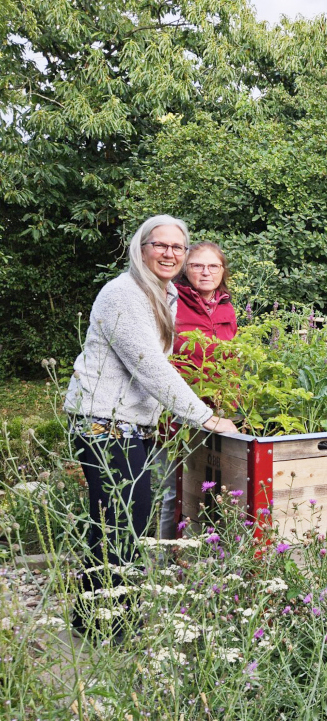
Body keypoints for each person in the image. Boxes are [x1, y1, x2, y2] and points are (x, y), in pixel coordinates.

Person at [64, 215, 238, 629]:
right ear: (141, 249)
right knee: (125, 518)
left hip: (128, 425)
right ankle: (114, 625)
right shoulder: (124, 293)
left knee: (115, 520)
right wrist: (205, 417)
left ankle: (91, 618)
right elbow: (150, 367)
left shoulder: (163, 294)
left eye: (178, 247)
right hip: (103, 421)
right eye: (160, 244)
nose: (169, 253)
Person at [154, 241, 238, 539]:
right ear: (185, 270)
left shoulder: (226, 306)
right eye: (197, 265)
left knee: (208, 489)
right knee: (173, 491)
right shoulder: (171, 302)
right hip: (176, 413)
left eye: (213, 266)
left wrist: (233, 403)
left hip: (217, 414)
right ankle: (164, 557)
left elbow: (232, 361)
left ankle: (202, 553)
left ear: (223, 270)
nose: (206, 272)